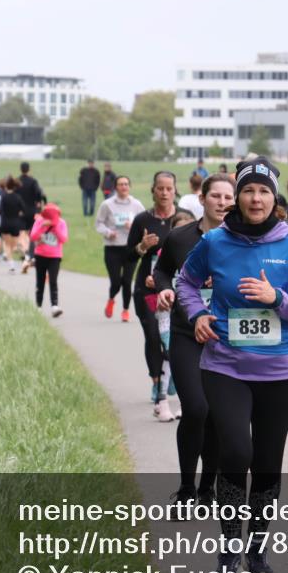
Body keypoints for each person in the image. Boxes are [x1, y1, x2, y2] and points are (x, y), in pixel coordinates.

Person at [176, 157, 288, 573]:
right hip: (225, 365)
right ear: (237, 196)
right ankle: (230, 547)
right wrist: (197, 312)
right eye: (249, 191)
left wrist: (275, 297)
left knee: (269, 462)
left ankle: (257, 547)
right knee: (236, 452)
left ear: (275, 199)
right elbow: (185, 281)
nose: (256, 199)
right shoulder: (215, 241)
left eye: (264, 192)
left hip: (279, 370)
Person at [155, 173, 235, 506]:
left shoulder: (242, 240)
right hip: (187, 333)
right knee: (196, 409)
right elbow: (162, 270)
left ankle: (208, 489)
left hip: (226, 336)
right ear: (201, 200)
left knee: (217, 414)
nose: (222, 202)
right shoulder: (179, 237)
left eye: (227, 197)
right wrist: (163, 288)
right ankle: (187, 487)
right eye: (215, 196)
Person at [127, 171, 183, 420]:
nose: (164, 193)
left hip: (174, 291)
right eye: (160, 188)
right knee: (152, 335)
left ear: (175, 190)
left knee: (171, 340)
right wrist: (143, 247)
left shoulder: (183, 219)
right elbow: (129, 255)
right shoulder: (142, 220)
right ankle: (157, 380)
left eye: (169, 188)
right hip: (146, 289)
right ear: (153, 190)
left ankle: (170, 378)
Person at [96, 175, 146, 322]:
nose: (124, 187)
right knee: (116, 282)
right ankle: (111, 299)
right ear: (116, 187)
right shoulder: (107, 204)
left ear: (129, 187)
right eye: (120, 184)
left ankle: (125, 310)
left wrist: (135, 227)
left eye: (126, 184)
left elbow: (145, 223)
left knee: (127, 281)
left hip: (130, 248)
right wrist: (108, 232)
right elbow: (99, 223)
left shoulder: (136, 204)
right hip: (112, 248)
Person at [30, 203, 68, 318]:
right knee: (40, 281)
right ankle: (38, 306)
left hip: (55, 256)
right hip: (40, 255)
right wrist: (42, 226)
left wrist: (54, 226)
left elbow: (63, 239)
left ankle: (54, 306)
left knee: (53, 280)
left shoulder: (61, 223)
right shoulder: (39, 221)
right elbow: (32, 237)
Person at [17, 162, 46, 273]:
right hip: (32, 211)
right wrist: (38, 202)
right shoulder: (33, 181)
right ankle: (32, 255)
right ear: (29, 169)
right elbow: (39, 193)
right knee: (32, 233)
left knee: (21, 233)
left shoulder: (17, 181)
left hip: (21, 212)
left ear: (20, 169)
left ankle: (25, 253)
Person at [0, 176, 27, 272]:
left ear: (6, 186)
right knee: (15, 243)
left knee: (7, 244)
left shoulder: (4, 197)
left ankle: (12, 265)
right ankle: (24, 257)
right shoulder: (18, 197)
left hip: (5, 222)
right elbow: (23, 210)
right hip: (15, 223)